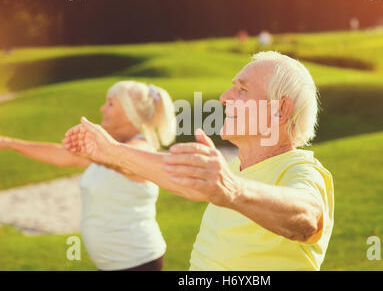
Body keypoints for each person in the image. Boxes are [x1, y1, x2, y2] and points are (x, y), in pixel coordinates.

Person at [63, 51, 334, 271]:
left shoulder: (300, 170)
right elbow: (175, 176)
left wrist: (231, 190)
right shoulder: (236, 171)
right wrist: (112, 151)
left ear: (280, 110)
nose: (225, 98)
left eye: (242, 90)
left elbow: (307, 217)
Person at [0, 81, 176, 271]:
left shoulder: (140, 149)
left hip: (138, 262)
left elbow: (125, 164)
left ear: (129, 112)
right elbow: (59, 154)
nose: (102, 108)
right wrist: (11, 143)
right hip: (113, 264)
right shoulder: (105, 152)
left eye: (110, 103)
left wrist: (103, 154)